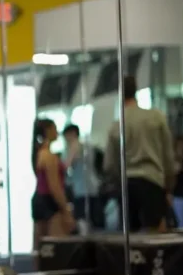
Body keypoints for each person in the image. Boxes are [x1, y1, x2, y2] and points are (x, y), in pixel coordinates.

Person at [103, 76, 174, 233]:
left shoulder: (117, 125)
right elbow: (168, 157)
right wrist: (168, 187)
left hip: (127, 185)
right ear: (136, 90)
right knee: (156, 235)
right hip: (152, 181)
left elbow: (109, 164)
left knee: (131, 239)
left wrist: (117, 182)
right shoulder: (156, 118)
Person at [31, 119, 74, 250]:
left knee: (40, 247)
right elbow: (54, 187)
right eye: (55, 128)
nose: (57, 132)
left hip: (39, 199)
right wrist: (66, 210)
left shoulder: (39, 154)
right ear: (48, 131)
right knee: (57, 248)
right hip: (49, 200)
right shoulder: (48, 156)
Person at [62, 124, 104, 231]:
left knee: (82, 220)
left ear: (72, 134)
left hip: (81, 189)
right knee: (94, 221)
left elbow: (66, 166)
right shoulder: (88, 146)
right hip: (92, 187)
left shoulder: (75, 146)